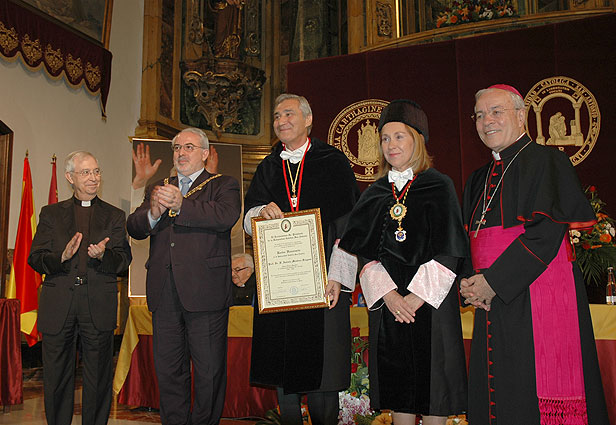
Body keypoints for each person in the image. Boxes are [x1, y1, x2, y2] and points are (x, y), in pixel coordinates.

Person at [460, 84, 609, 424]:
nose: (487, 121)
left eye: (496, 112)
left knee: (526, 389)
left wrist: (492, 282)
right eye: (480, 115)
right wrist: (469, 283)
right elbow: (468, 239)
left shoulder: (548, 161)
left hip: (531, 291)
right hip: (488, 299)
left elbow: (545, 234)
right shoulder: (478, 179)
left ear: (520, 115)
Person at [329, 100, 468, 425]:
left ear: (417, 139)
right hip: (390, 307)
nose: (390, 145)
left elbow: (450, 249)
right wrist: (391, 297)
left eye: (399, 136)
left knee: (434, 394)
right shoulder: (375, 192)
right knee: (398, 389)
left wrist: (416, 298)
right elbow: (361, 250)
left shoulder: (440, 185)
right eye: (385, 138)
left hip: (431, 305)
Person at [244, 93, 360, 424]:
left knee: (323, 374)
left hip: (324, 282)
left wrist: (337, 276)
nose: (281, 121)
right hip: (280, 284)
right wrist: (260, 212)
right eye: (277, 116)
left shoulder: (333, 162)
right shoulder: (268, 166)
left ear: (308, 120)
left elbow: (350, 225)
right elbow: (248, 217)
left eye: (288, 114)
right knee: (284, 370)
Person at [127, 127, 240, 425]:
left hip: (206, 293)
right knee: (169, 371)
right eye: (177, 147)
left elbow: (225, 216)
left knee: (209, 372)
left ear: (204, 153)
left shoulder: (223, 184)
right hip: (164, 291)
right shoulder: (159, 186)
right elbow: (134, 226)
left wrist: (181, 205)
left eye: (189, 147)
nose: (181, 153)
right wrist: (153, 213)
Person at [28, 151, 132, 425]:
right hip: (59, 303)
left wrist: (104, 256)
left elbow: (124, 260)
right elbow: (35, 258)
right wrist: (60, 257)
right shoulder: (51, 214)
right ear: (69, 177)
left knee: (98, 377)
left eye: (96, 171)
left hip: (97, 303)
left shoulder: (114, 215)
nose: (93, 177)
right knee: (56, 377)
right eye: (86, 172)